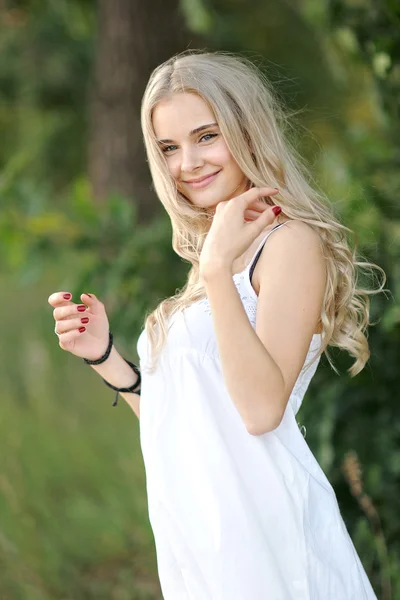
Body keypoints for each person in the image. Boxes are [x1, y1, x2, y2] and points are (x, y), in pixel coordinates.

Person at [48, 51, 385, 599]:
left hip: (265, 540)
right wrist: (104, 355)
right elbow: (190, 416)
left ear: (247, 131)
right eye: (169, 147)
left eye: (206, 136)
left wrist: (216, 270)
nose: (188, 163)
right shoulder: (220, 257)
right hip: (204, 539)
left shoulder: (288, 244)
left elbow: (259, 411)